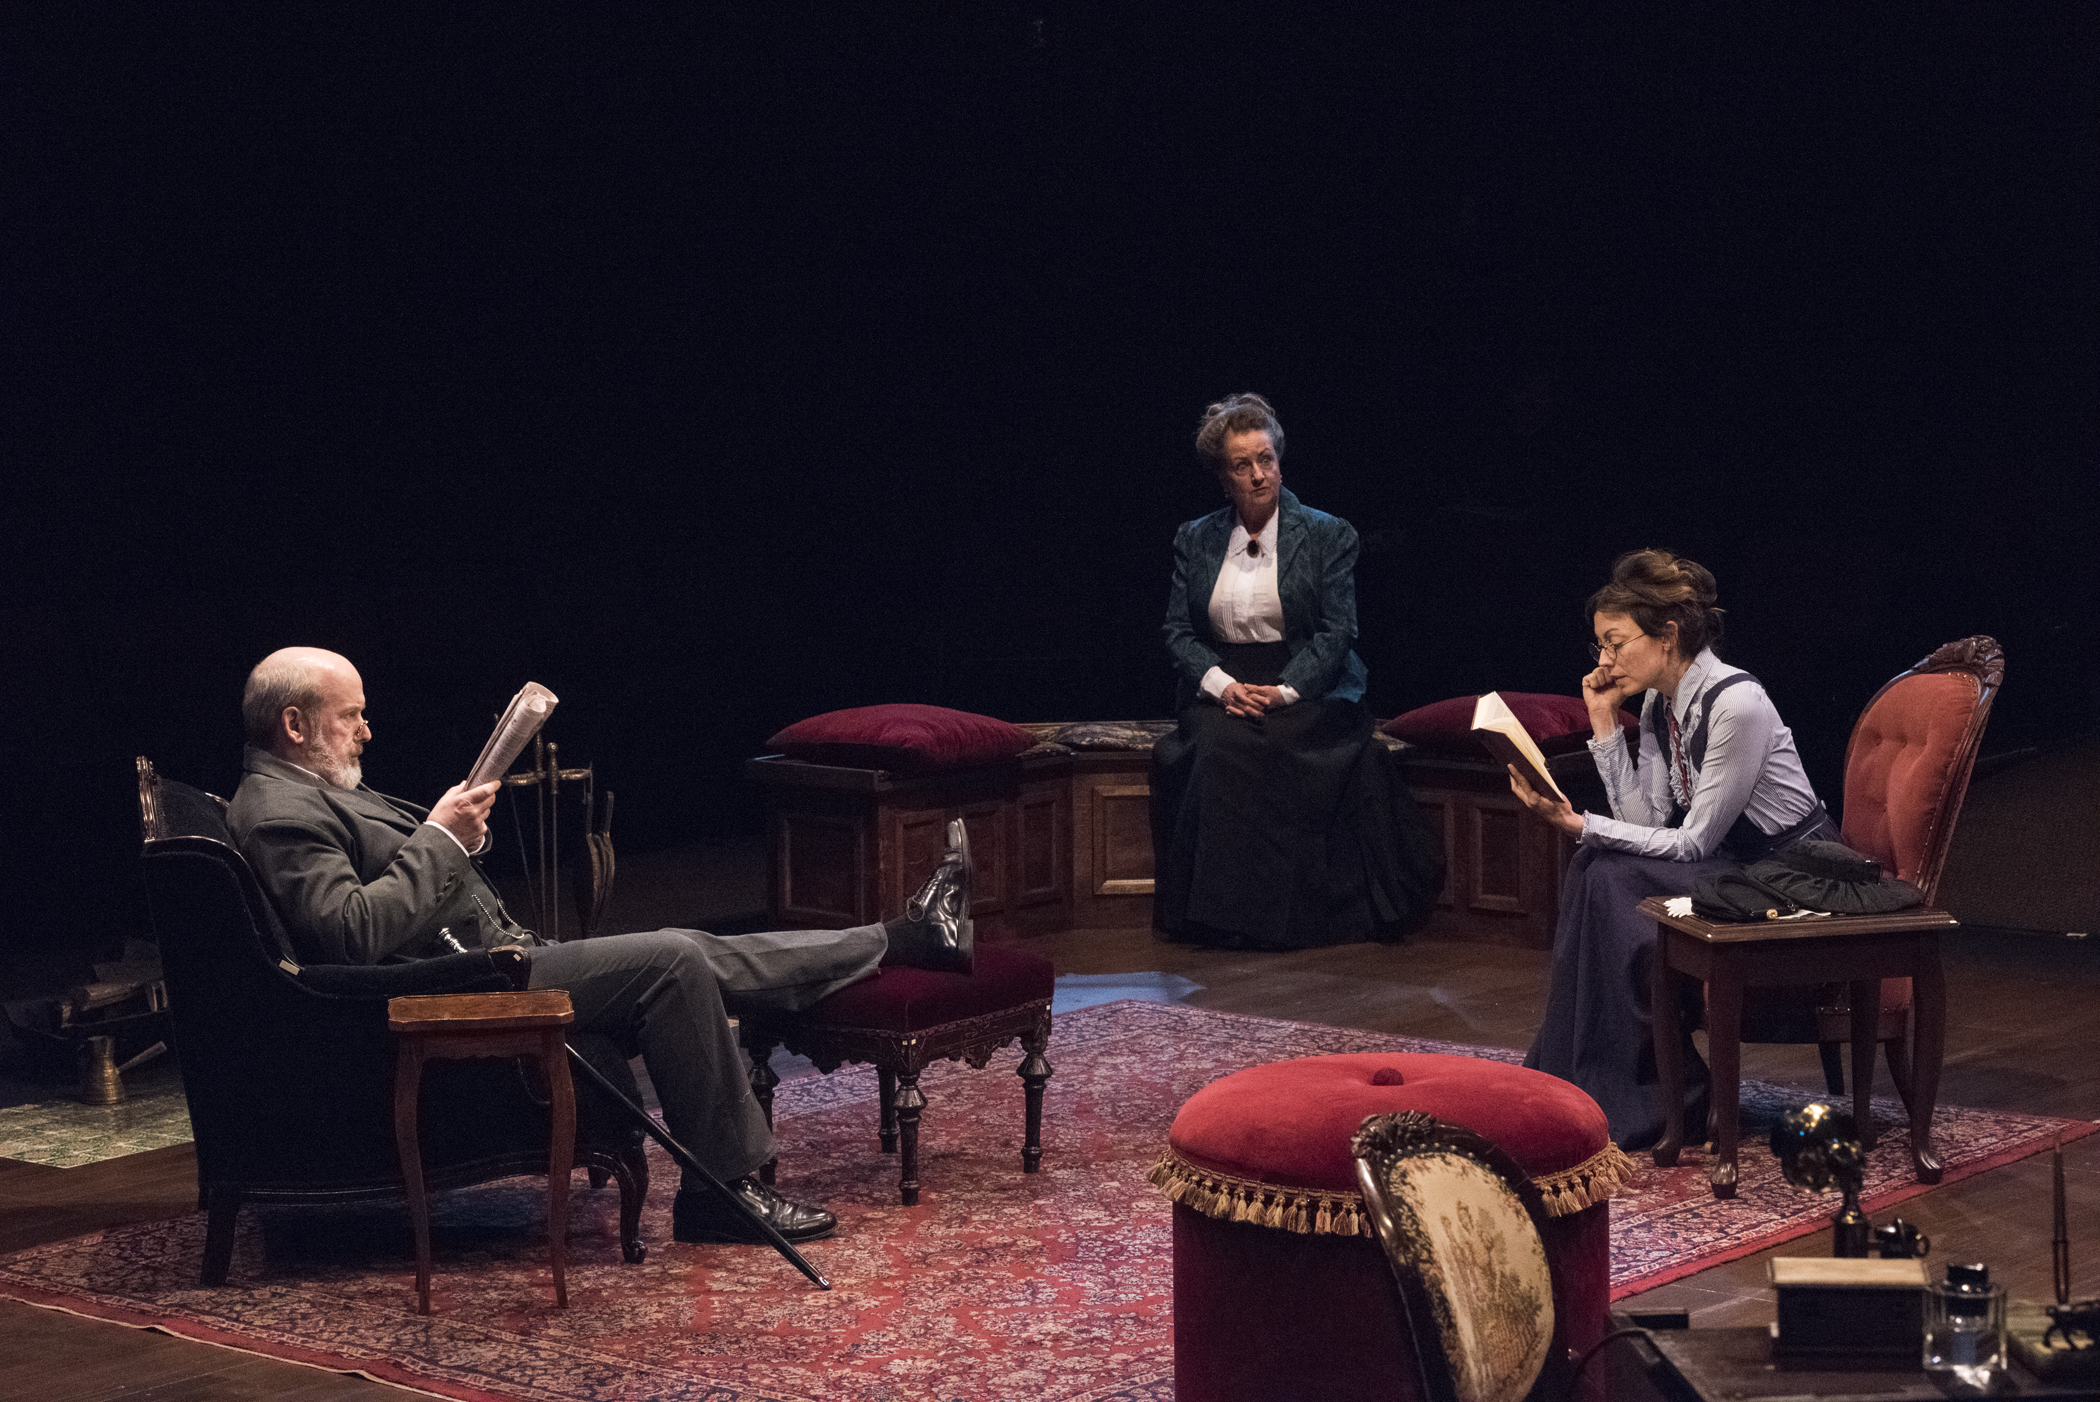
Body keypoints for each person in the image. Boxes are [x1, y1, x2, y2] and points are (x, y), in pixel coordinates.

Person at [227, 647, 973, 1246]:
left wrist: (455, 841)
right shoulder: (279, 812)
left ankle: (906, 938)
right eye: (351, 716)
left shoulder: (311, 788)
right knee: (672, 960)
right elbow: (352, 935)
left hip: (491, 960)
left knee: (680, 945)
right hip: (462, 987)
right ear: (294, 724)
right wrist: (441, 840)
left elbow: (386, 887)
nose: (366, 731)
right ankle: (725, 1192)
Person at [1510, 550, 1838, 1150]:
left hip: (1790, 874)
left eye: (1615, 644)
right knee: (1598, 865)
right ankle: (1579, 1080)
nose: (1604, 662)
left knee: (1605, 868)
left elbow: (1691, 842)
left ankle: (1654, 1095)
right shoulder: (1661, 703)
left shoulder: (1736, 702)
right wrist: (1604, 723)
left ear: (1667, 635)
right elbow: (1646, 823)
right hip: (1734, 865)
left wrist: (1581, 824)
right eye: (1600, 647)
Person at [1150, 393, 1440, 949]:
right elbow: (1178, 632)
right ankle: (1227, 918)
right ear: (1224, 478)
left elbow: (1337, 631)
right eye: (1243, 465)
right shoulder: (1196, 537)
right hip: (1224, 682)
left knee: (1283, 741)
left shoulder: (1328, 533)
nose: (1259, 475)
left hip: (1309, 682)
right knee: (1220, 746)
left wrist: (1287, 691)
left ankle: (1307, 917)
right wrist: (1222, 686)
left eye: (1266, 459)